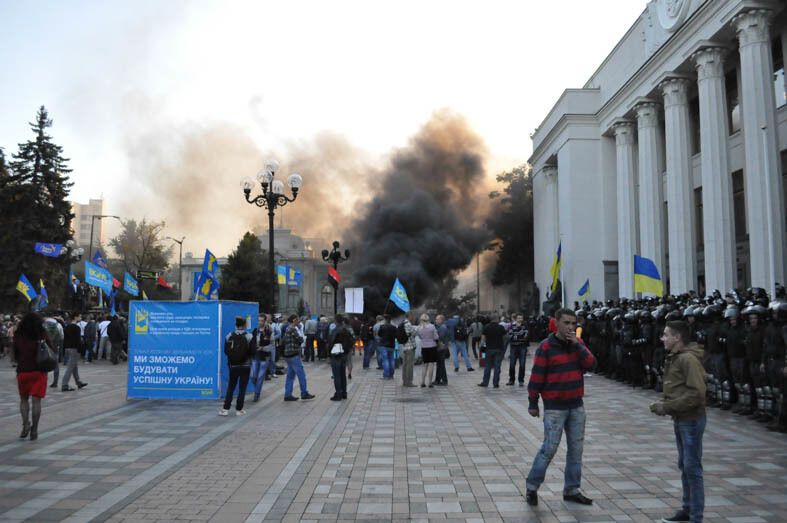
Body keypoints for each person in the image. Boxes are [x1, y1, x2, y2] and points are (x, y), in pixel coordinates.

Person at [525, 308, 595, 507]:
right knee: (549, 448)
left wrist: (578, 345)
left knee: (576, 450)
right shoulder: (546, 347)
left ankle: (572, 489)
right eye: (566, 323)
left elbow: (591, 364)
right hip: (555, 407)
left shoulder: (577, 344)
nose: (570, 327)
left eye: (573, 323)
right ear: (556, 323)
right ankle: (532, 487)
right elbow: (537, 376)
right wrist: (533, 403)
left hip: (576, 405)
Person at [650, 320, 707, 523]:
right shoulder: (676, 357)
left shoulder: (687, 359)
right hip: (681, 418)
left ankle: (696, 517)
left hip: (690, 420)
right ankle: (688, 509)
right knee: (685, 465)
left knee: (692, 468)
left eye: (666, 335)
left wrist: (668, 406)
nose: (662, 338)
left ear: (677, 338)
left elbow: (697, 394)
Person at [13, 312, 53, 440]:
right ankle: (34, 429)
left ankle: (25, 424)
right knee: (37, 402)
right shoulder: (41, 334)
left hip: (23, 371)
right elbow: (51, 349)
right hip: (39, 371)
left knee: (23, 400)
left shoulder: (18, 335)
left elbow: (15, 353)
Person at [220, 316, 255, 416]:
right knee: (242, 388)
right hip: (246, 365)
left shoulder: (229, 336)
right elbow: (253, 351)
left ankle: (225, 409)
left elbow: (226, 351)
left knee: (231, 387)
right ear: (244, 325)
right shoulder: (249, 336)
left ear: (236, 325)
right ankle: (239, 410)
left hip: (233, 366)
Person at [283, 315, 315, 401]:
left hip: (288, 355)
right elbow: (300, 340)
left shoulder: (287, 328)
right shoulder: (293, 329)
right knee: (301, 375)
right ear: (294, 320)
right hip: (293, 355)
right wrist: (301, 337)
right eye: (297, 320)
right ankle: (304, 393)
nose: (298, 322)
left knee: (290, 375)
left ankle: (287, 394)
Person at [327, 315, 355, 400]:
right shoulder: (346, 330)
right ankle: (344, 393)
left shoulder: (335, 331)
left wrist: (329, 355)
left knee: (337, 376)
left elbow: (330, 343)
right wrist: (346, 350)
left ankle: (338, 394)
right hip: (344, 354)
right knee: (343, 374)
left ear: (335, 321)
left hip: (336, 354)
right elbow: (352, 341)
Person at [478, 315, 506, 388]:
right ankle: (495, 383)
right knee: (497, 367)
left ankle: (485, 382)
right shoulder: (500, 327)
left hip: (489, 349)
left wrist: (481, 346)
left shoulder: (486, 327)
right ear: (497, 319)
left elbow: (483, 338)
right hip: (499, 349)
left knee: (488, 366)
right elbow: (505, 337)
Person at [61, 315, 87, 391]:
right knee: (70, 367)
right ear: (75, 317)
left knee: (74, 366)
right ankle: (64, 384)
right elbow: (78, 340)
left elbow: (65, 339)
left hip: (67, 348)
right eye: (79, 316)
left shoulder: (66, 327)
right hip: (74, 348)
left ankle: (78, 382)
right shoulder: (76, 328)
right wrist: (81, 350)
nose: (81, 318)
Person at [250, 314, 272, 402]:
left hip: (264, 357)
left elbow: (272, 346)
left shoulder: (269, 331)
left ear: (265, 321)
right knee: (252, 376)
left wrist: (262, 348)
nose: (260, 322)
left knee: (260, 377)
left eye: (262, 320)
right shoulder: (255, 330)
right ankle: (257, 389)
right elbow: (251, 342)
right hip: (255, 356)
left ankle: (257, 394)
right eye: (259, 320)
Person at [507, 314, 529, 386]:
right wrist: (519, 334)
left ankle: (521, 380)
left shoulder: (525, 326)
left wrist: (516, 334)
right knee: (512, 364)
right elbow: (510, 335)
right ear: (516, 319)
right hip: (513, 347)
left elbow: (525, 336)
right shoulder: (511, 326)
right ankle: (511, 379)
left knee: (522, 364)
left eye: (521, 318)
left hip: (522, 347)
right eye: (518, 318)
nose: (520, 319)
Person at [418, 314, 439, 388]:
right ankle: (430, 382)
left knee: (424, 365)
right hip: (432, 347)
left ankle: (422, 382)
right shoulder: (432, 326)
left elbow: (420, 337)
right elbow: (436, 337)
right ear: (428, 319)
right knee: (431, 365)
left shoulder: (419, 328)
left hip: (424, 347)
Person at [399, 312, 418, 387]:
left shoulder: (403, 323)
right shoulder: (408, 324)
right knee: (409, 365)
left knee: (405, 364)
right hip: (410, 347)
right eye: (412, 316)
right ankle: (409, 382)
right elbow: (414, 333)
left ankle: (404, 381)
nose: (413, 317)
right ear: (409, 316)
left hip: (405, 346)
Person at [377, 315, 397, 379]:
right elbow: (396, 335)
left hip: (383, 345)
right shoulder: (394, 327)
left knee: (385, 360)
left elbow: (379, 334)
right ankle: (391, 375)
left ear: (385, 320)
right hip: (391, 345)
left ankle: (386, 375)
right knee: (391, 360)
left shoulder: (382, 327)